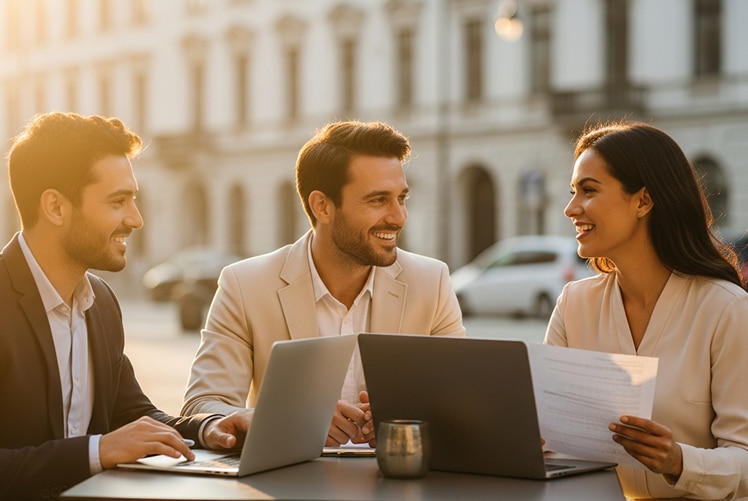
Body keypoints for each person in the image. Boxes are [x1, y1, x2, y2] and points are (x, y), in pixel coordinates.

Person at [0, 112, 250, 501]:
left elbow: (132, 415)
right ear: (56, 207)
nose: (136, 219)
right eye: (119, 201)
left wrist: (208, 427)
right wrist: (97, 451)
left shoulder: (99, 301)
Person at [181, 120, 465, 447]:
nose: (398, 216)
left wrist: (416, 415)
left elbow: (460, 404)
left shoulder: (432, 281)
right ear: (322, 206)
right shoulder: (244, 285)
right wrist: (290, 417)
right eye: (377, 200)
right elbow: (203, 406)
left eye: (401, 198)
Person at [545, 121, 748, 500]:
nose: (571, 208)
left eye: (588, 191)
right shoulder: (574, 304)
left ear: (643, 200)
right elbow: (552, 441)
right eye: (573, 192)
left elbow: (745, 460)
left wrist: (677, 461)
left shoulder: (727, 310)